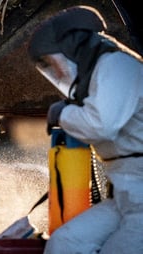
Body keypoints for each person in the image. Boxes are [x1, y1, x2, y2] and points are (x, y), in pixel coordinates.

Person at [27, 5, 143, 254]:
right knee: (64, 243)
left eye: (53, 62)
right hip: (127, 195)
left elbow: (101, 125)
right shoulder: (102, 71)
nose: (56, 72)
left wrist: (62, 113)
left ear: (73, 47)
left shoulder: (116, 66)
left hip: (139, 193)